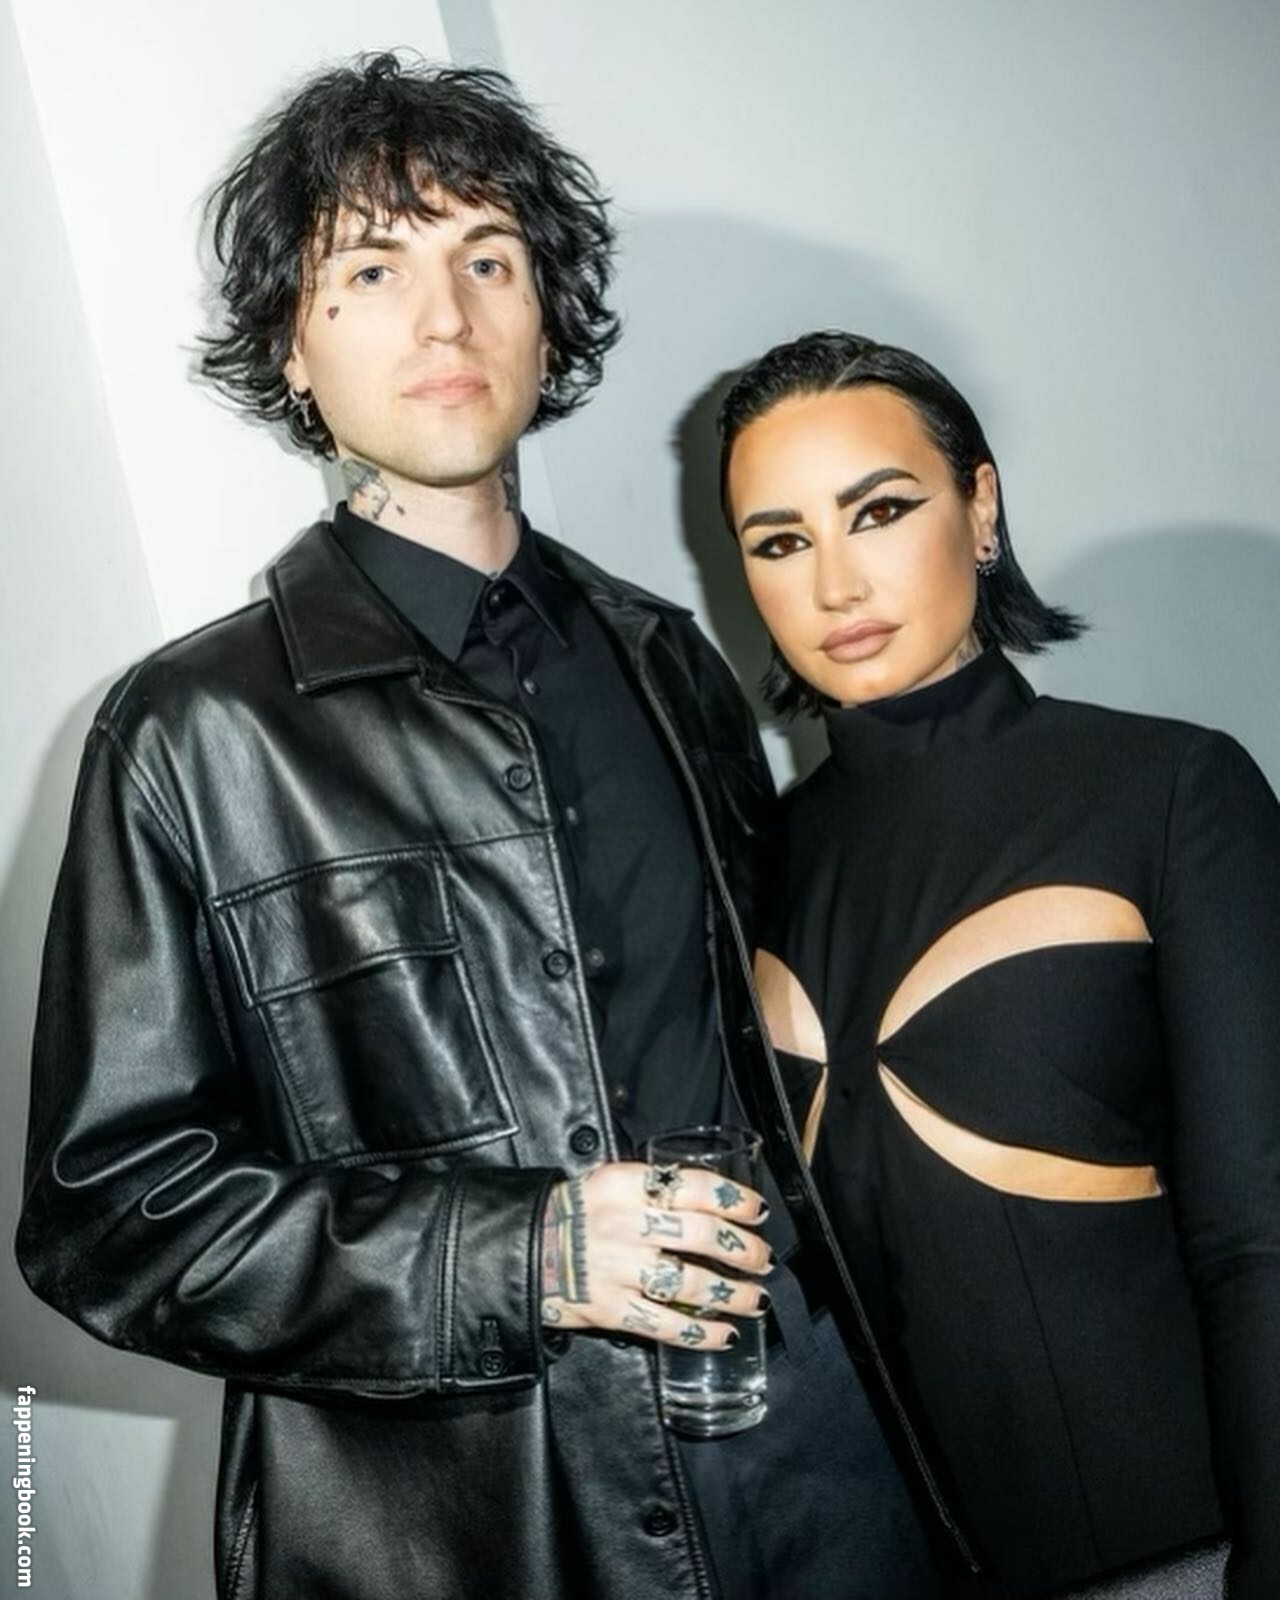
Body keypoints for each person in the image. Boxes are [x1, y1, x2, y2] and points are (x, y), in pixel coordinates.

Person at [15, 59, 944, 1600]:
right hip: (472, 1521)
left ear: (545, 320)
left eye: (488, 261)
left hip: (819, 1455)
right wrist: (525, 1254)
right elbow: (110, 1218)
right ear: (293, 345)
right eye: (373, 271)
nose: (443, 318)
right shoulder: (191, 733)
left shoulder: (671, 663)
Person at [718, 328, 1280, 1599]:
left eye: (878, 511)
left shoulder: (1166, 789)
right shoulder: (751, 867)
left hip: (1184, 1551)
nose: (834, 582)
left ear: (978, 508)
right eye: (779, 541)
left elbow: (1259, 1232)